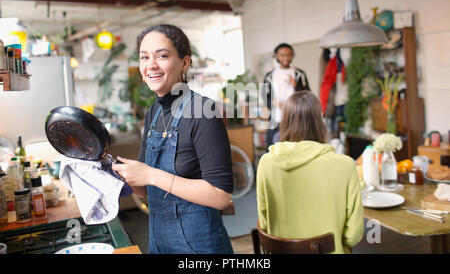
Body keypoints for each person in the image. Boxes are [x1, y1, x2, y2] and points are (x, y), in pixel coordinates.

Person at [112, 24, 234, 254]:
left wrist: (150, 174)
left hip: (199, 246)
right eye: (144, 57)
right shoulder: (154, 112)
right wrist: (120, 174)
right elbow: (148, 190)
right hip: (159, 241)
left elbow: (220, 196)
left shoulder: (202, 111)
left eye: (162, 56)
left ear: (185, 63)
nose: (151, 65)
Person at [256, 90, 364, 254]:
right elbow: (353, 236)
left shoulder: (266, 163)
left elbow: (264, 224)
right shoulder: (346, 165)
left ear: (285, 121)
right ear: (320, 120)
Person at [262, 43, 310, 146]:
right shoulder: (270, 76)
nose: (286, 58)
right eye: (282, 55)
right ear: (277, 56)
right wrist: (273, 103)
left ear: (292, 55)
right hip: (276, 119)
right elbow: (265, 97)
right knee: (272, 145)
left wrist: (296, 86)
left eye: (289, 55)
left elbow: (307, 95)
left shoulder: (299, 74)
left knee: (296, 145)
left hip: (296, 118)